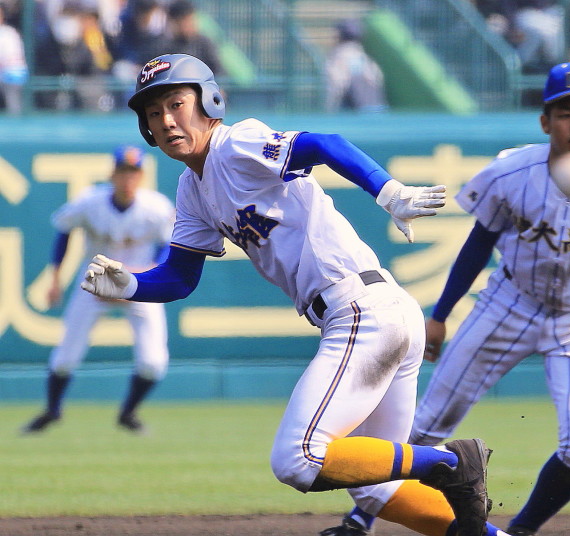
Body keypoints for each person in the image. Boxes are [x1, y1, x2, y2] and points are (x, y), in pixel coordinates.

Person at [80, 53, 492, 536]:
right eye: (154, 112)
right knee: (375, 491)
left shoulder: (235, 143)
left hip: (360, 311)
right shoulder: (192, 187)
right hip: (380, 312)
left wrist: (388, 191)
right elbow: (180, 276)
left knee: (298, 458)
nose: (167, 120)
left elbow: (323, 143)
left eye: (176, 104)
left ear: (209, 102)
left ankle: (451, 462)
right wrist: (131, 284)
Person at [325, 60, 570, 536]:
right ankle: (361, 518)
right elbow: (478, 244)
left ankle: (520, 532)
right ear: (546, 122)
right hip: (507, 304)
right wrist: (440, 316)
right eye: (565, 113)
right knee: (425, 427)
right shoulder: (511, 172)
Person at [22, 145, 176, 435]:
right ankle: (52, 411)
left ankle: (128, 413)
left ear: (141, 176)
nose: (128, 178)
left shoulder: (156, 207)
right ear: (112, 174)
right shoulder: (90, 202)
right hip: (94, 283)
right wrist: (55, 278)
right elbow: (64, 230)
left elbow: (168, 245)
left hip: (139, 285)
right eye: (123, 171)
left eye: (133, 172)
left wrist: (150, 272)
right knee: (65, 357)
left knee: (154, 363)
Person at [325, 19, 388, 113]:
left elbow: (337, 84)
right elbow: (378, 79)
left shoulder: (339, 57)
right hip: (377, 108)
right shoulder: (365, 58)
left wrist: (329, 108)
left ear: (339, 36)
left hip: (354, 111)